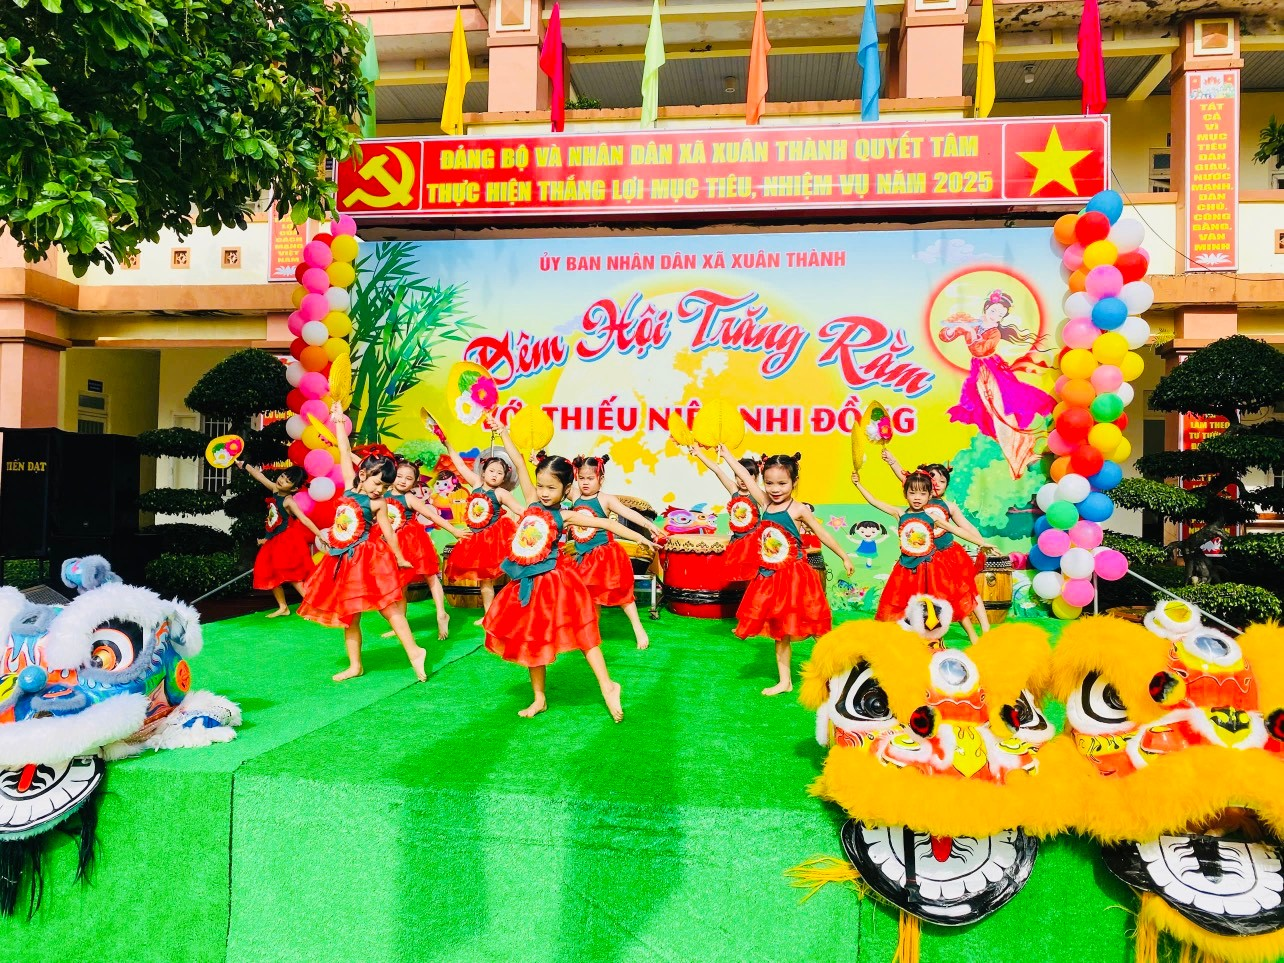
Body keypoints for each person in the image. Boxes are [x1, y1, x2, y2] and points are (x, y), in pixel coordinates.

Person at [482, 420, 657, 721]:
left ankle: (608, 686)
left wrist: (643, 536)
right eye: (541, 485)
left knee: (584, 633)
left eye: (551, 488)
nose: (544, 492)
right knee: (532, 639)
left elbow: (607, 523)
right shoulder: (531, 502)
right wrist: (504, 431)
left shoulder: (566, 515)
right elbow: (520, 462)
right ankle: (539, 698)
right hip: (526, 584)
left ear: (566, 490)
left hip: (555, 584)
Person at [299, 402, 428, 683]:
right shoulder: (349, 486)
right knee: (350, 614)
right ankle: (355, 665)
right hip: (344, 559)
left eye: (385, 487)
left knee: (389, 608)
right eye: (377, 483)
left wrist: (399, 557)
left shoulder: (379, 503)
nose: (380, 490)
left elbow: (389, 533)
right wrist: (337, 421)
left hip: (369, 559)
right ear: (363, 475)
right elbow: (344, 449)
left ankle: (415, 652)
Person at [723, 449, 854, 696]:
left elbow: (822, 534)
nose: (775, 489)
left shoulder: (798, 509)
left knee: (816, 627)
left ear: (794, 481)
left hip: (797, 577)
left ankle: (841, 673)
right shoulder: (764, 502)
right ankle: (785, 682)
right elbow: (745, 476)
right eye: (769, 483)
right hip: (772, 578)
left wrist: (844, 556)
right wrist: (726, 453)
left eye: (782, 483)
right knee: (779, 631)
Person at [851, 469, 994, 643]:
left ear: (929, 495)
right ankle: (906, 640)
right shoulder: (900, 514)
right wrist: (858, 484)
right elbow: (874, 501)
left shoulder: (932, 517)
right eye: (912, 493)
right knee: (902, 605)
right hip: (905, 569)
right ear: (905, 494)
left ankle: (960, 637)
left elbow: (957, 530)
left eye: (922, 493)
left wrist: (982, 543)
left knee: (942, 602)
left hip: (930, 568)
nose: (917, 497)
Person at [938, 289, 1054, 479]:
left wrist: (969, 331)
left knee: (1002, 411)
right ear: (986, 308)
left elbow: (980, 349)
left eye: (1000, 314)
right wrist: (953, 329)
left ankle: (1022, 454)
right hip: (980, 371)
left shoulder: (994, 332)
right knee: (990, 413)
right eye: (993, 311)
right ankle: (1018, 453)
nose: (996, 316)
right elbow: (945, 335)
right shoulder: (973, 323)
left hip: (992, 371)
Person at [881, 450, 990, 631]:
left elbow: (966, 527)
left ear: (947, 485)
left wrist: (983, 543)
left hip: (949, 555)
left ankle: (985, 628)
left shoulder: (949, 506)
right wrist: (892, 461)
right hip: (928, 559)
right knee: (929, 595)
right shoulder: (920, 499)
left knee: (965, 589)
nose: (937, 483)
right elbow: (904, 476)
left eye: (942, 481)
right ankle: (926, 630)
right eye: (933, 478)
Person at [568, 454, 663, 650]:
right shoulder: (574, 495)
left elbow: (628, 513)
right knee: (590, 597)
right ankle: (592, 633)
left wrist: (648, 526)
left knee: (622, 595)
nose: (585, 482)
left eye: (590, 478)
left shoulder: (605, 499)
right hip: (583, 557)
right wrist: (538, 462)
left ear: (601, 479)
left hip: (604, 556)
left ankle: (638, 628)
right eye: (581, 478)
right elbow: (556, 480)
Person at [384, 458, 468, 640]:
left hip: (413, 542)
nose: (403, 481)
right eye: (399, 476)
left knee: (430, 575)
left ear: (415, 482)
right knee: (400, 584)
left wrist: (454, 530)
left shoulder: (409, 498)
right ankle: (401, 624)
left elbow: (431, 515)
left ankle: (441, 614)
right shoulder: (382, 494)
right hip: (392, 544)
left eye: (408, 478)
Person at [238, 462, 324, 617]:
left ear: (294, 489)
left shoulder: (289, 501)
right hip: (274, 540)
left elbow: (304, 519)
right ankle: (283, 607)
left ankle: (313, 606)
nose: (281, 480)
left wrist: (319, 534)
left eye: (287, 481)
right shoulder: (275, 489)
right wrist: (244, 465)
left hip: (286, 540)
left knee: (292, 576)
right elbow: (259, 476)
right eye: (283, 476)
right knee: (270, 572)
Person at [443, 444, 519, 612]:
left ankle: (508, 609)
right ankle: (488, 614)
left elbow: (520, 510)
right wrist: (447, 444)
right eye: (491, 471)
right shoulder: (476, 484)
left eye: (500, 473)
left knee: (499, 577)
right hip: (476, 540)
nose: (495, 475)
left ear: (504, 478)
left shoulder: (501, 493)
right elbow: (460, 465)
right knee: (485, 581)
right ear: (483, 472)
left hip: (493, 541)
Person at [689, 445, 764, 580]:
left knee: (753, 576)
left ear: (756, 477)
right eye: (738, 475)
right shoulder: (733, 490)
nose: (742, 479)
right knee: (735, 576)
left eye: (748, 475)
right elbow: (717, 470)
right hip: (736, 542)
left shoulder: (757, 494)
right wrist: (699, 454)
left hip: (753, 543)